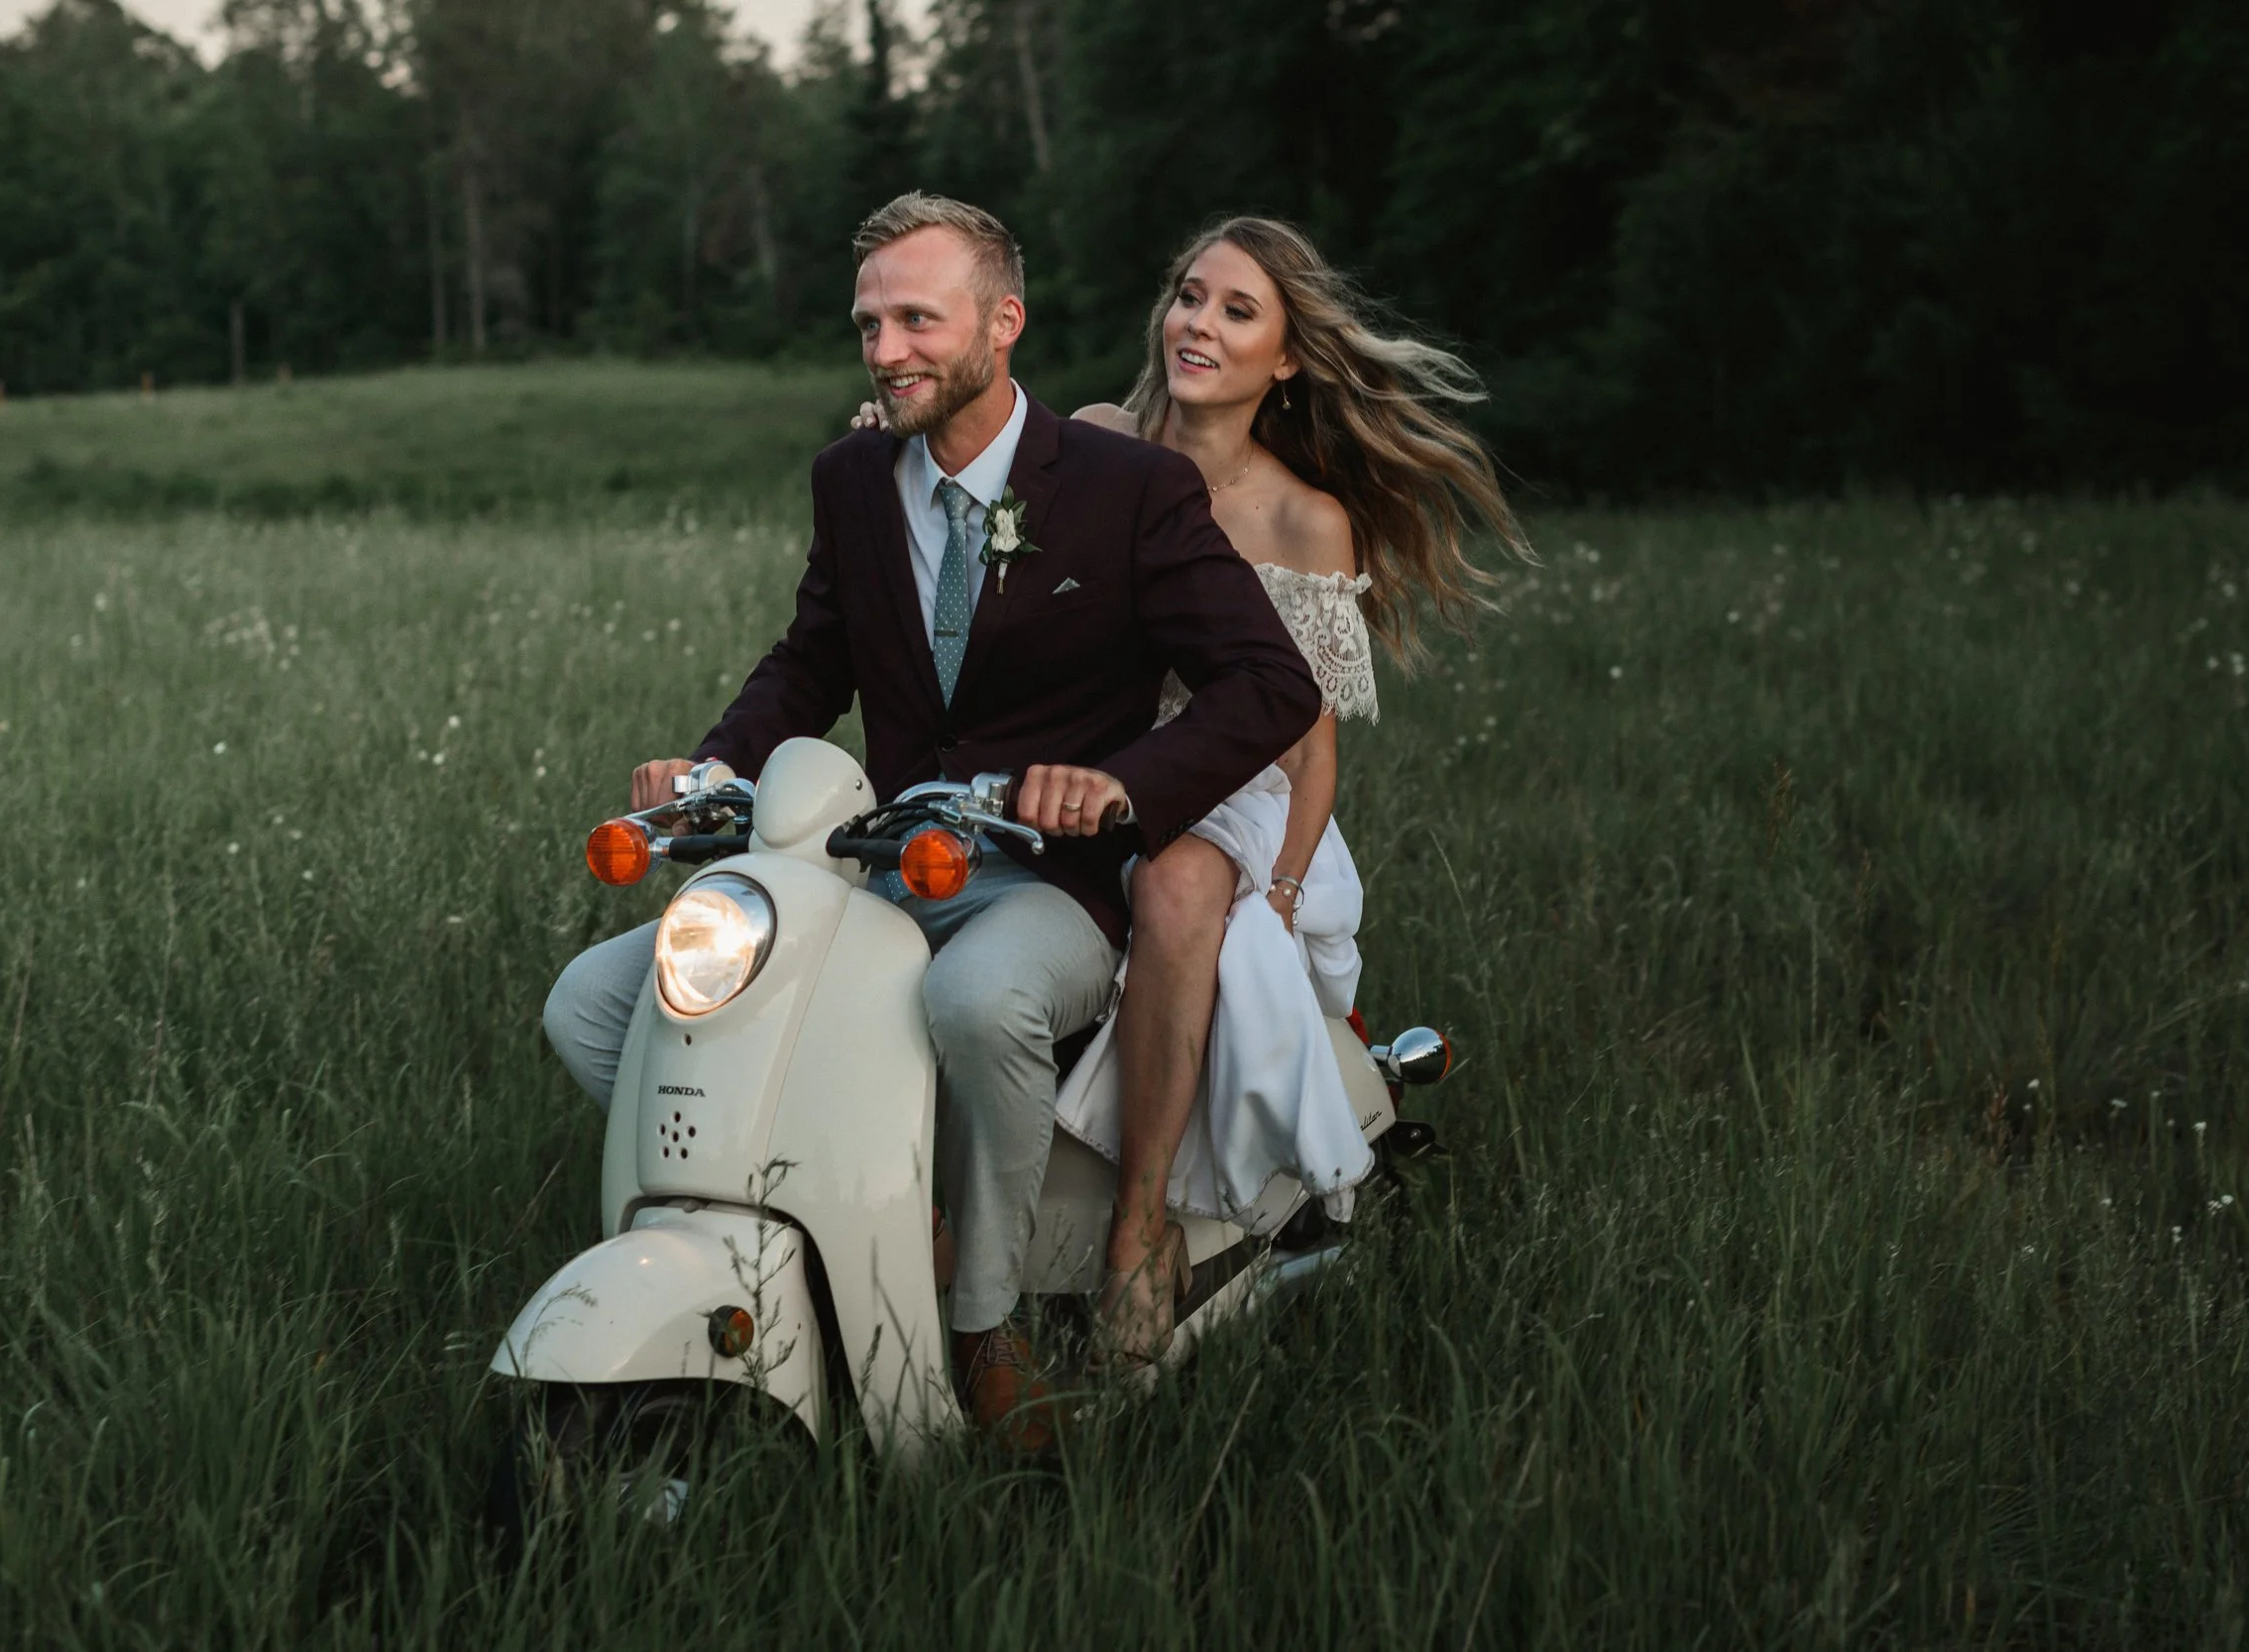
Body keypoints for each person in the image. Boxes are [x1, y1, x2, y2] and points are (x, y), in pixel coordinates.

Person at [539, 193, 1320, 1448]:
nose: (886, 349)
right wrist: (711, 766)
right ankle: (850, 1225)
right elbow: (813, 658)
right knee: (593, 1001)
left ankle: (984, 1322)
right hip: (878, 864)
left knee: (978, 1000)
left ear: (1002, 323)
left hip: (1049, 880)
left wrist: (1121, 784)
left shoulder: (1127, 487)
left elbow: (1271, 684)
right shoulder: (851, 477)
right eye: (869, 324)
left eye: (917, 320)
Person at [1049, 217, 1531, 1371]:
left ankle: (1139, 1227)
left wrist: (1282, 885)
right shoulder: (1095, 440)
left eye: (1236, 310)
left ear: (1288, 358)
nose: (1198, 324)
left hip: (1234, 782)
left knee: (1176, 886)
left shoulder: (1303, 517)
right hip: (1087, 754)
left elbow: (1307, 749)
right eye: (1188, 295)